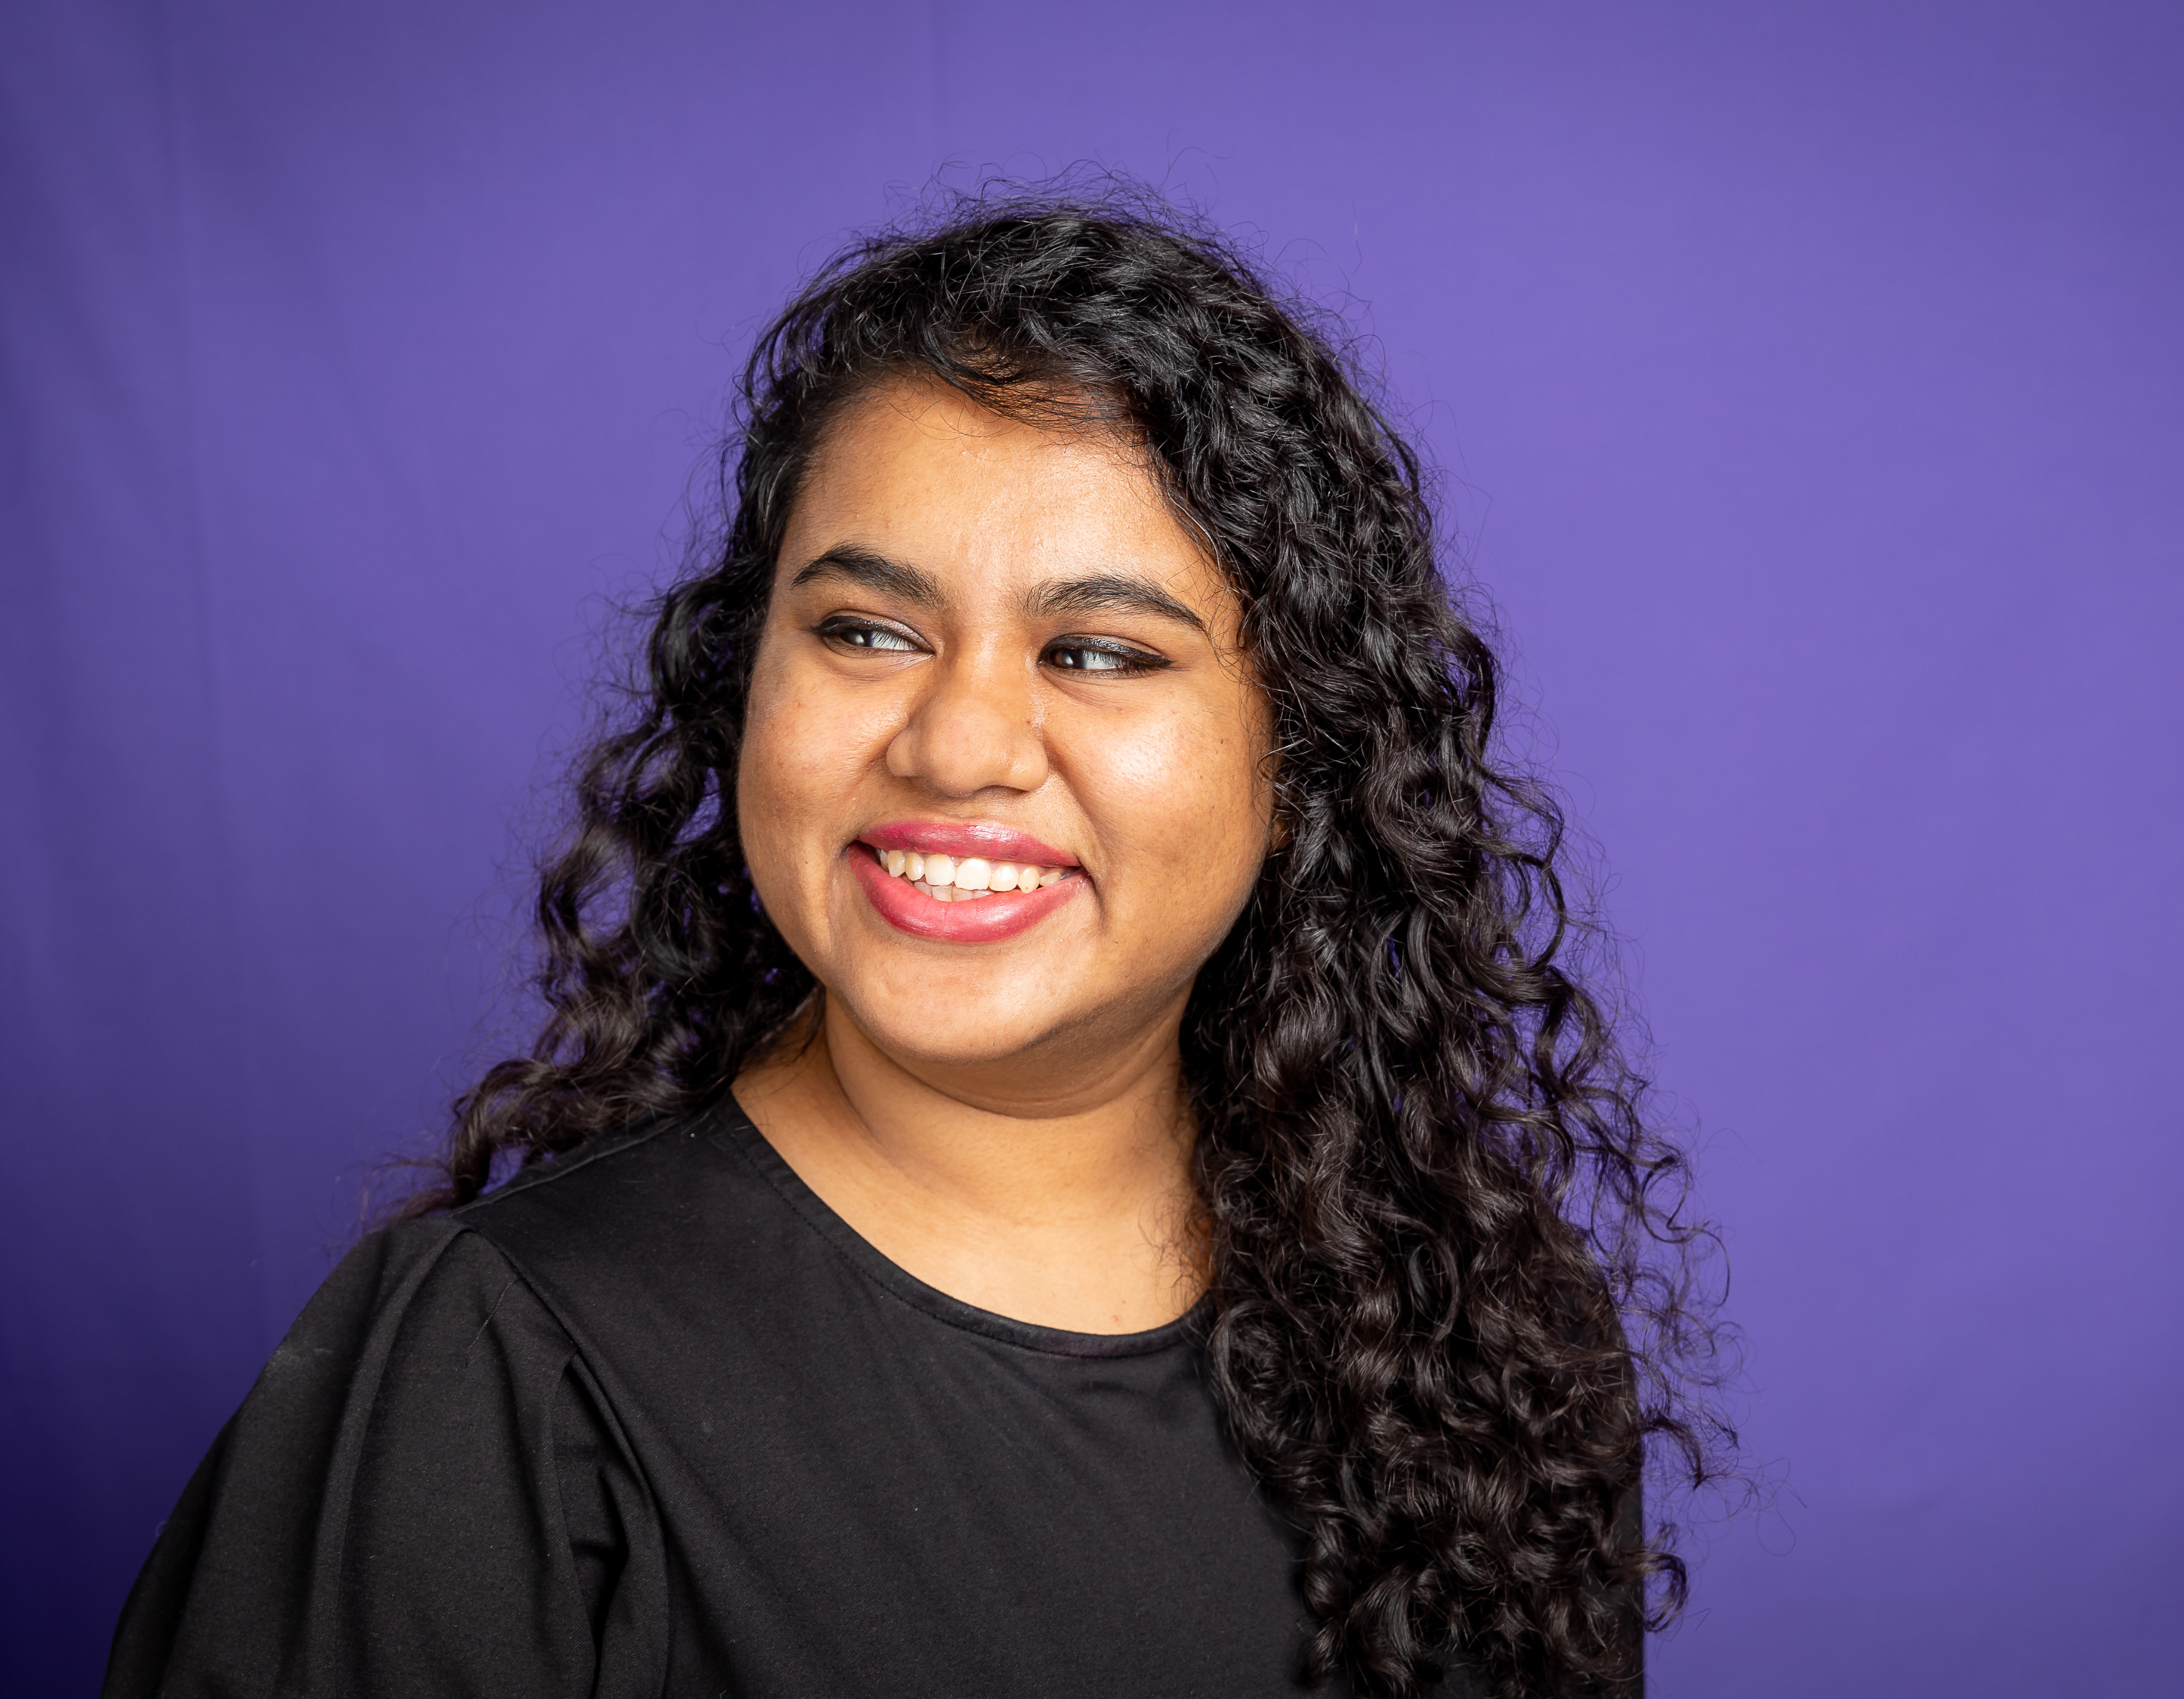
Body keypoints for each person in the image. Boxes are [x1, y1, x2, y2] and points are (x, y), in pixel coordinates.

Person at [103, 190, 1725, 1699]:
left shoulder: (1476, 1348)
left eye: (1098, 652)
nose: (957, 745)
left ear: (1301, 765)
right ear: (746, 684)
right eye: (866, 631)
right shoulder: (496, 1377)